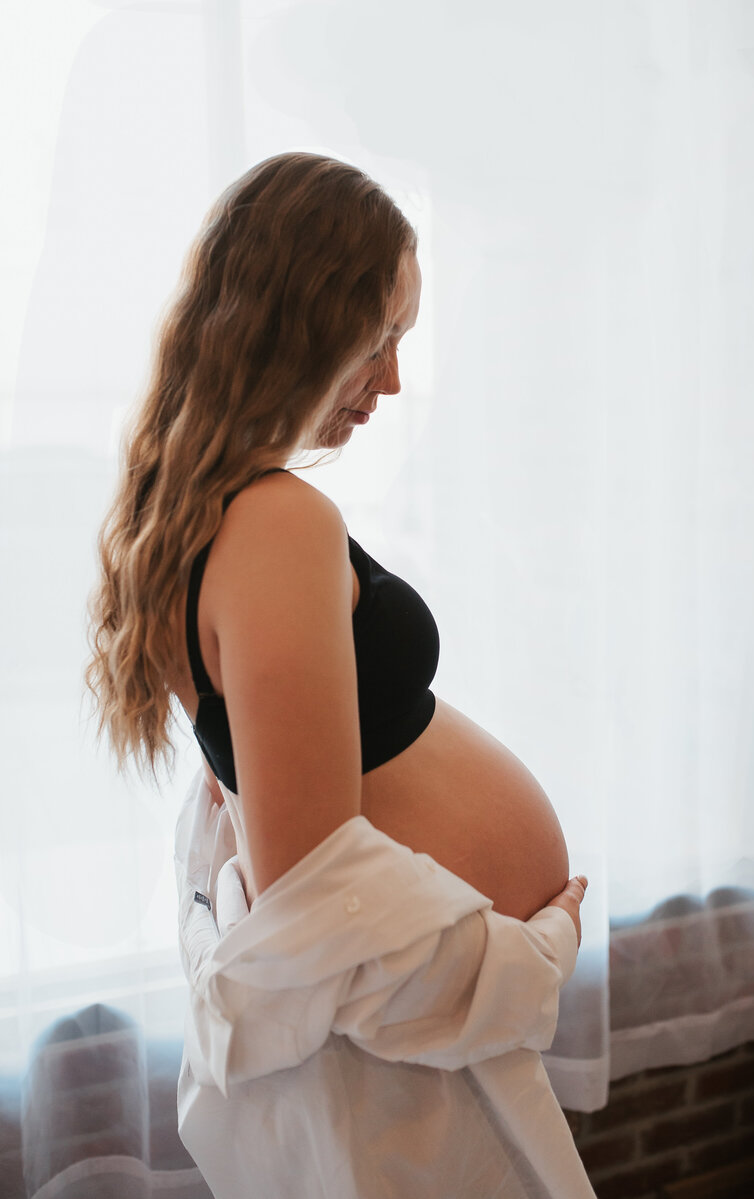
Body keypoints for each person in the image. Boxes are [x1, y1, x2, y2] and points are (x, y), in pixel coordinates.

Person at [87, 152, 595, 1198]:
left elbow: (257, 790)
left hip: (397, 1046)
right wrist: (519, 966)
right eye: (380, 340)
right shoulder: (274, 517)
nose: (392, 380)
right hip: (397, 1056)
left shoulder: (204, 514)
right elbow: (313, 897)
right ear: (304, 324)